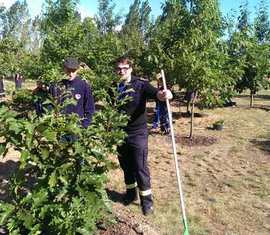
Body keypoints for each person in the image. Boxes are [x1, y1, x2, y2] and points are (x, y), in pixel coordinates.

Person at [115, 56, 173, 216]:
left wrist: (166, 94)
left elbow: (156, 94)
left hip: (137, 134)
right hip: (119, 133)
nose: (121, 71)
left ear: (130, 69)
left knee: (140, 167)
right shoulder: (115, 86)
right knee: (126, 165)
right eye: (118, 68)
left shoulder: (140, 84)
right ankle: (130, 194)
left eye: (124, 68)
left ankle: (147, 202)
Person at [50, 57, 95, 128]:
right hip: (60, 127)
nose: (71, 74)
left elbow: (90, 108)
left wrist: (84, 125)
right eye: (68, 71)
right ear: (64, 69)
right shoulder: (57, 86)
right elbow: (51, 105)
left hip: (76, 127)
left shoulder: (84, 86)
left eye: (73, 71)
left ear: (77, 70)